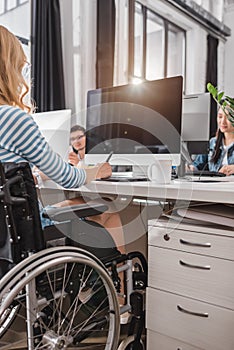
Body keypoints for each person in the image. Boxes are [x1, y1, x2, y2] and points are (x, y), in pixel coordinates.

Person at [0, 25, 126, 249]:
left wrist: (35, 176)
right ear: (9, 69)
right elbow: (68, 178)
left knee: (79, 204)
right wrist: (99, 170)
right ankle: (120, 281)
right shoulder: (13, 118)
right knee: (108, 211)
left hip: (5, 239)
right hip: (26, 234)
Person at [188, 105, 234, 175]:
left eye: (228, 117)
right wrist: (189, 168)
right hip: (215, 185)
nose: (223, 122)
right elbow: (198, 165)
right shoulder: (212, 142)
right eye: (220, 117)